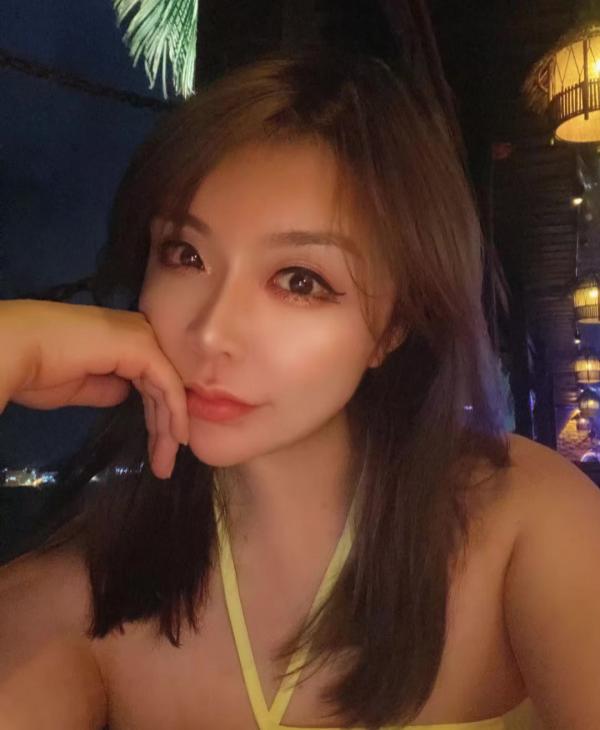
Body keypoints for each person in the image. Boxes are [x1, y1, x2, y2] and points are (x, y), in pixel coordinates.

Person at [0, 50, 599, 730]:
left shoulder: (524, 523)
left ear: (391, 329)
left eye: (299, 281)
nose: (211, 333)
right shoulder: (88, 594)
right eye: (186, 255)